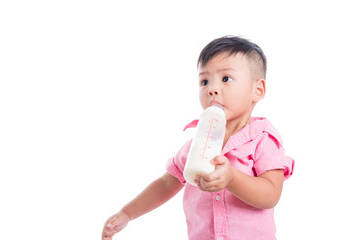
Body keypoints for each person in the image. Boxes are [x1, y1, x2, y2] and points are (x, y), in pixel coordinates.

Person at [102, 36, 294, 240]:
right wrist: (127, 213)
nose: (212, 89)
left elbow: (271, 194)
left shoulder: (263, 139)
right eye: (204, 81)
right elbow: (166, 185)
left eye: (226, 78)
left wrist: (232, 178)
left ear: (258, 90)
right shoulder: (197, 145)